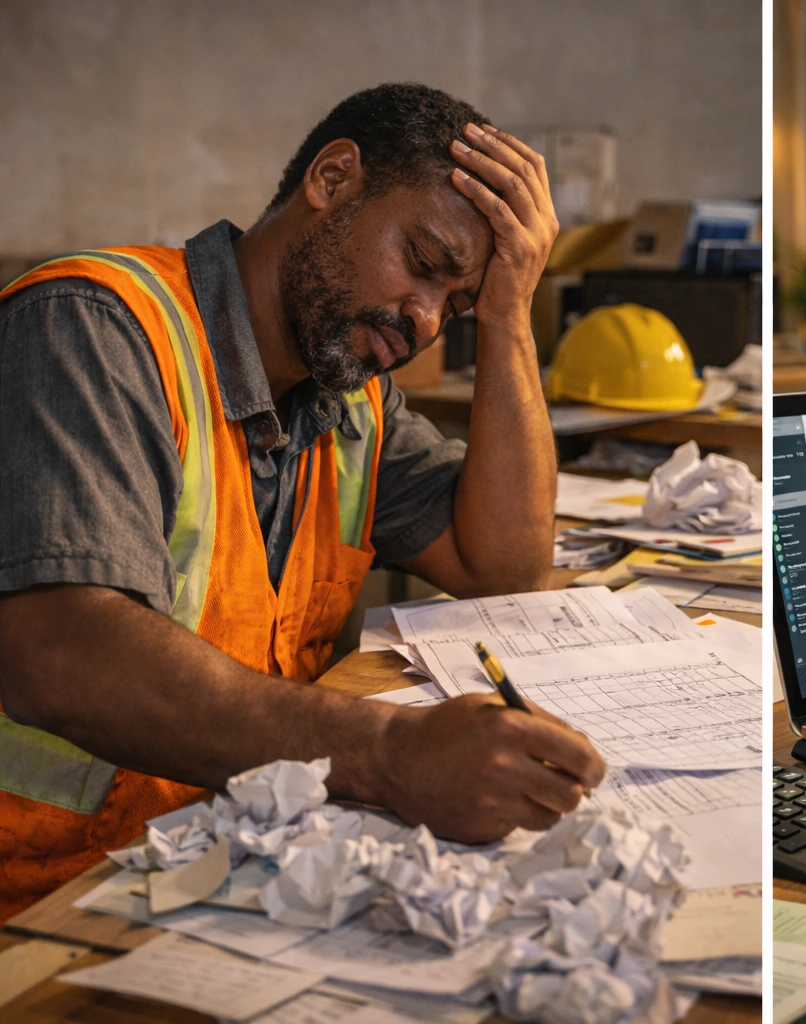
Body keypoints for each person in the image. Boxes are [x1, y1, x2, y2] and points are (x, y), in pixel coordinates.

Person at [0, 83, 606, 920]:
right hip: (41, 900)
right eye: (427, 264)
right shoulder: (94, 327)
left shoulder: (351, 401)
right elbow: (58, 655)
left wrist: (509, 315)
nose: (427, 321)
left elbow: (504, 568)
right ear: (331, 178)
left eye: (455, 308)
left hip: (218, 869)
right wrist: (390, 753)